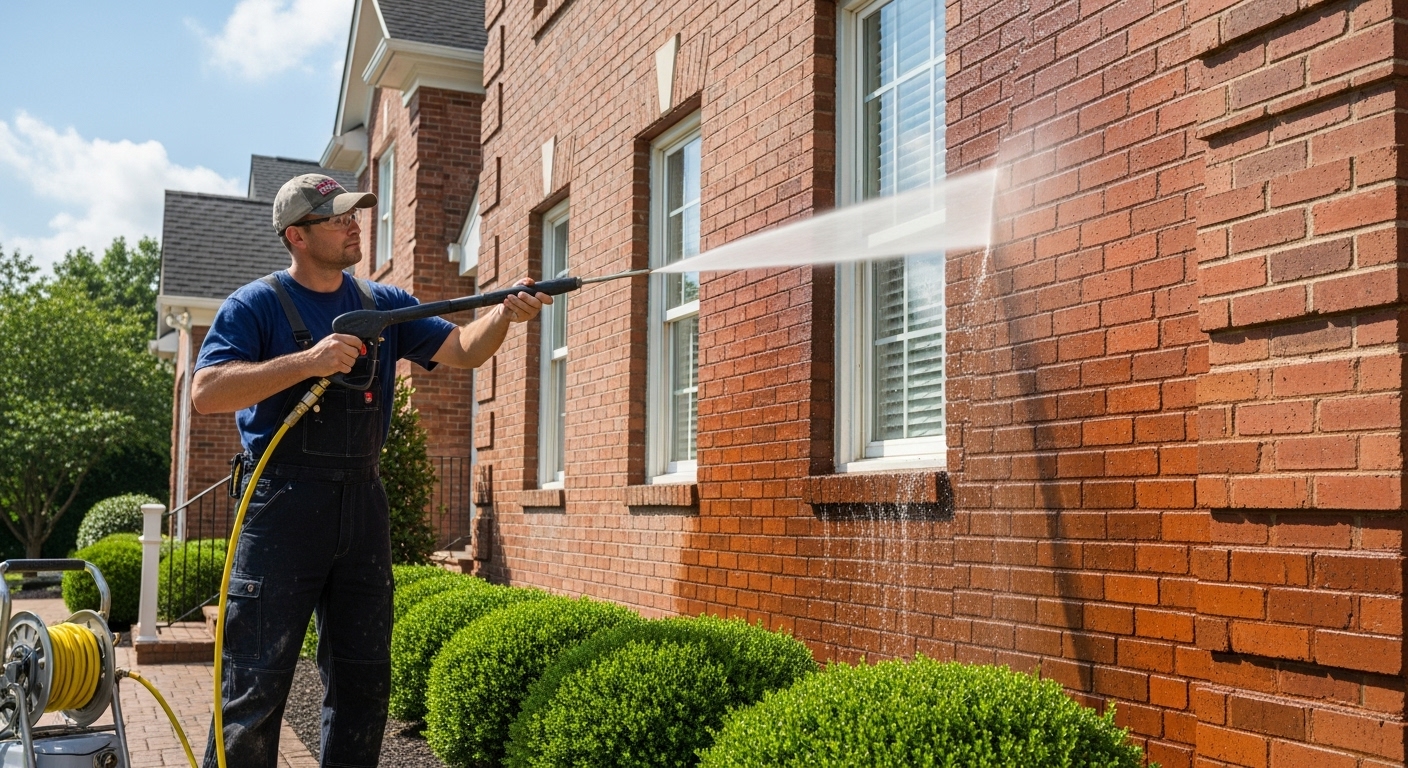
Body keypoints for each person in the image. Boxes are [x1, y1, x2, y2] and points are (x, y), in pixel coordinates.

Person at [190, 173, 548, 767]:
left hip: (362, 505)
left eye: (354, 213)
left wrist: (507, 316)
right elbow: (206, 392)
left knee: (362, 685)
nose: (354, 223)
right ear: (297, 236)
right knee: (254, 687)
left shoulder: (383, 304)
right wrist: (308, 361)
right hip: (281, 506)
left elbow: (461, 350)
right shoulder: (255, 305)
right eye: (337, 218)